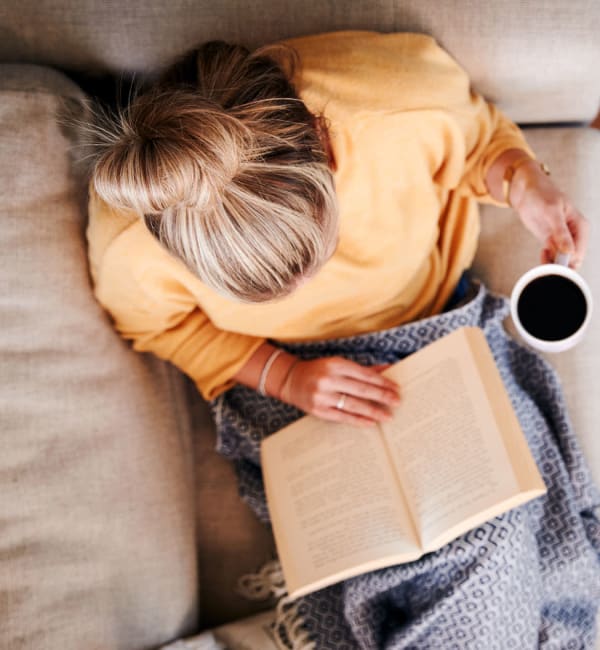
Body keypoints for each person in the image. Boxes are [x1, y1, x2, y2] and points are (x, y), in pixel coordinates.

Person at [85, 32, 598, 648]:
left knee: (499, 523)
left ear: (325, 146)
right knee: (412, 558)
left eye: (319, 253)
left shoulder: (397, 100)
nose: (310, 286)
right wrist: (284, 376)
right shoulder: (135, 230)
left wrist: (521, 179)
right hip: (287, 378)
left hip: (434, 332)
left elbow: (478, 143)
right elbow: (154, 324)